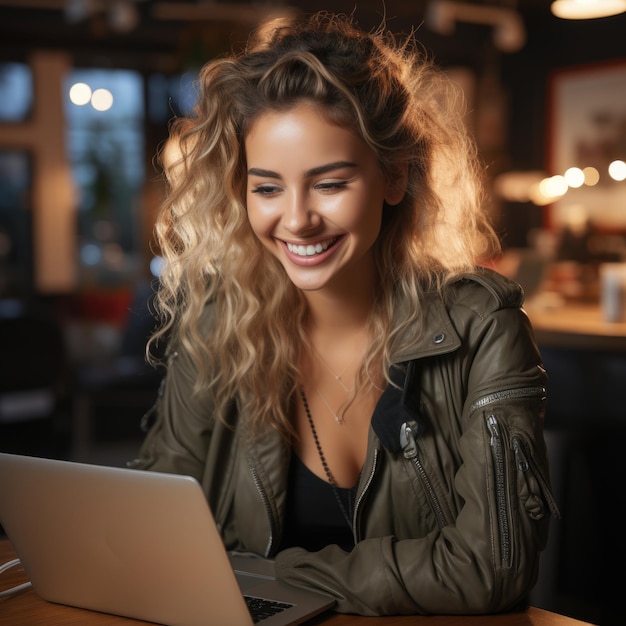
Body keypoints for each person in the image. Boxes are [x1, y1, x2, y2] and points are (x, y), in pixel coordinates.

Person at [133, 11, 559, 616]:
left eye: (329, 184)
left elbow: (491, 567)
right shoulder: (216, 324)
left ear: (393, 176)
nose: (297, 219)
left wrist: (265, 575)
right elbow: (153, 522)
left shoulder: (481, 327)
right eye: (267, 187)